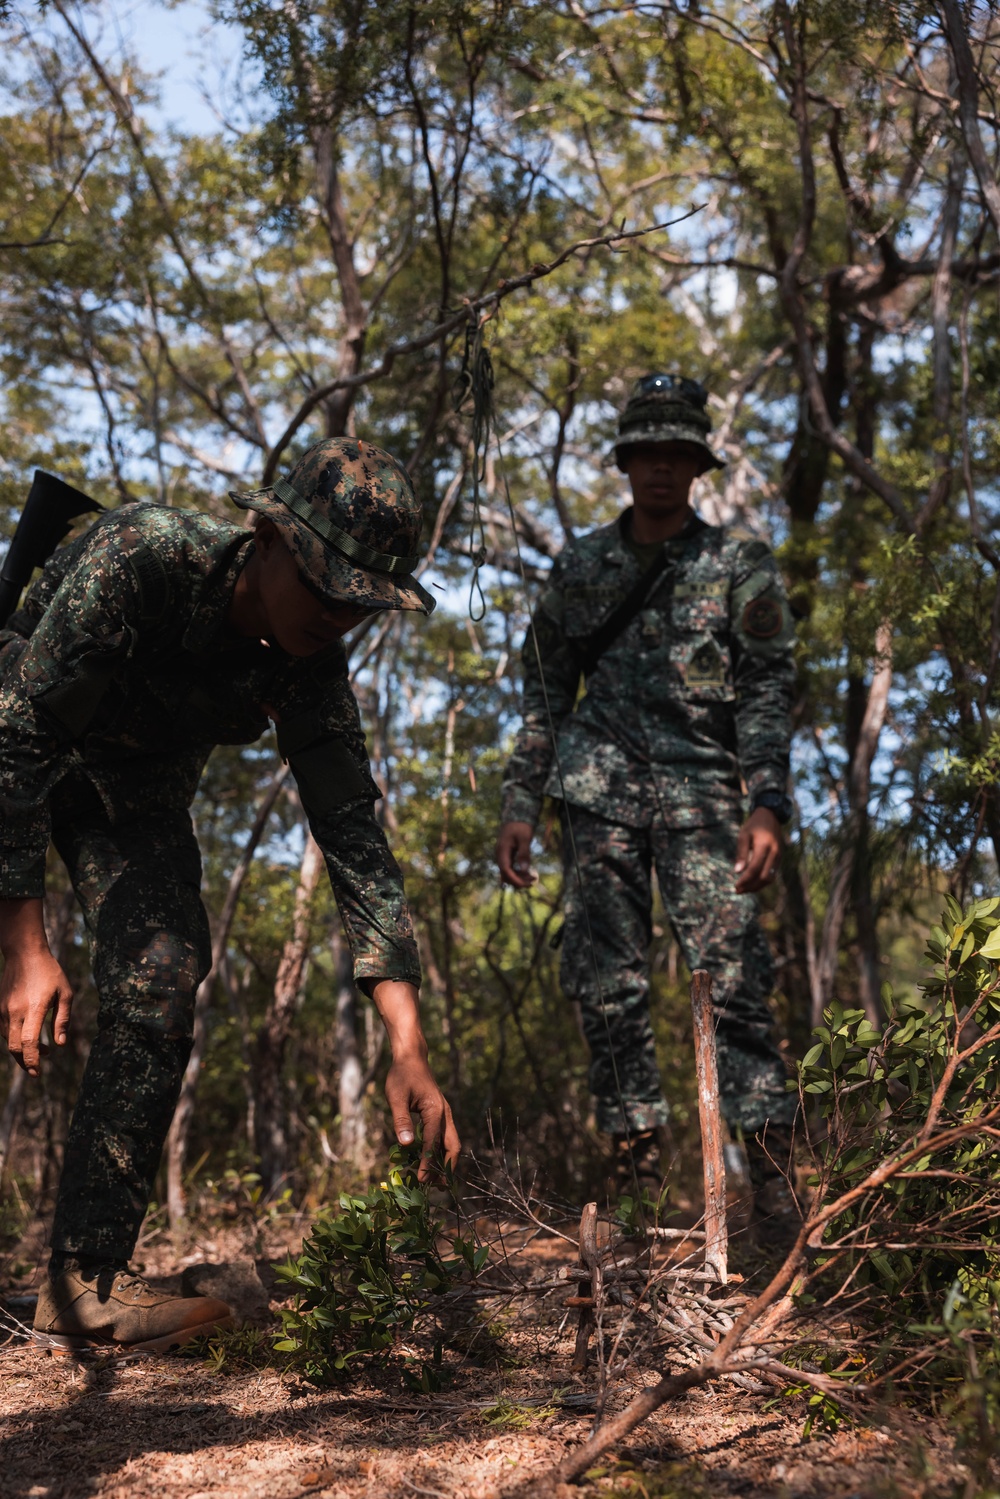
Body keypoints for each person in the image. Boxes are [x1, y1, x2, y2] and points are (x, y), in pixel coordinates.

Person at [0, 437, 461, 1354]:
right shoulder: (144, 556)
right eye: (325, 585)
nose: (338, 615)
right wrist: (26, 948)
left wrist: (406, 1042)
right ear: (267, 537)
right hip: (15, 748)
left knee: (162, 969)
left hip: (129, 800)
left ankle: (83, 1281)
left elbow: (355, 842)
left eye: (359, 602)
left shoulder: (308, 668)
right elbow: (18, 744)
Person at [495, 374, 796, 1208]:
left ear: (697, 465)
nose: (660, 469)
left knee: (734, 978)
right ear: (626, 462)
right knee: (608, 985)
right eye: (646, 454)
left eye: (677, 455)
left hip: (705, 798)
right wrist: (521, 804)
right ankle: (640, 1181)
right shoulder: (582, 565)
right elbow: (547, 693)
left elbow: (767, 688)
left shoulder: (737, 563)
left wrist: (766, 801)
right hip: (597, 796)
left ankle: (772, 1179)